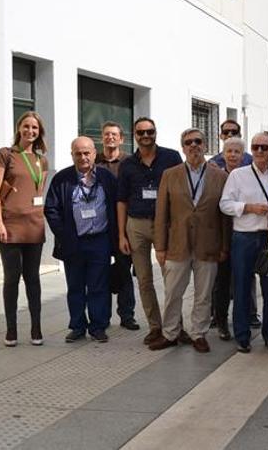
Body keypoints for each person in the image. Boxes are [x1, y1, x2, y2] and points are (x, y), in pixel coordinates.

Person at [148, 129, 229, 353]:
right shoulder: (170, 174)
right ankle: (170, 333)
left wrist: (224, 246)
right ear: (182, 148)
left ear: (205, 145)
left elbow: (224, 216)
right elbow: (161, 213)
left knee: (203, 295)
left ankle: (198, 334)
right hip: (177, 244)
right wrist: (160, 246)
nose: (193, 146)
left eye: (198, 141)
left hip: (208, 245)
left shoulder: (220, 176)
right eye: (188, 142)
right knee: (173, 293)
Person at [117, 117, 184, 345]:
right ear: (135, 135)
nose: (146, 136)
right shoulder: (127, 164)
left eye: (150, 131)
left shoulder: (172, 157)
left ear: (156, 132)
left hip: (166, 225)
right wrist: (121, 234)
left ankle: (175, 326)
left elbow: (183, 191)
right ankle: (155, 326)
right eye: (141, 132)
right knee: (144, 279)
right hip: (136, 225)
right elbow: (121, 201)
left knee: (172, 279)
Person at [45, 137, 118, 343]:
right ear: (72, 155)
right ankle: (77, 326)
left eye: (87, 152)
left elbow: (117, 206)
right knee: (75, 286)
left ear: (95, 153)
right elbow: (51, 209)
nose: (83, 157)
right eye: (78, 153)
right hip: (73, 242)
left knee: (98, 286)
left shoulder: (106, 178)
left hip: (100, 241)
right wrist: (64, 235)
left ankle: (97, 326)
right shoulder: (62, 179)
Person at [0, 111, 49, 346]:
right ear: (19, 128)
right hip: (10, 225)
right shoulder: (6, 154)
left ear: (39, 132)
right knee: (11, 278)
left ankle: (36, 328)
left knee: (33, 278)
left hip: (34, 225)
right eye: (26, 126)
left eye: (34, 128)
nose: (30, 131)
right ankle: (11, 330)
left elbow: (38, 191)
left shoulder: (41, 160)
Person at [219, 133, 268, 353]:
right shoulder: (237, 175)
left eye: (264, 147)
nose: (260, 151)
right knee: (242, 288)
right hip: (244, 236)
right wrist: (248, 207)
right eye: (256, 147)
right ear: (251, 151)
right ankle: (242, 336)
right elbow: (225, 204)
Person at [96, 121, 139, 331]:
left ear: (121, 139)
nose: (110, 138)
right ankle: (102, 317)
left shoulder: (130, 163)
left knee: (124, 271)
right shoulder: (94, 161)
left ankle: (127, 315)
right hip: (100, 228)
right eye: (106, 134)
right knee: (100, 272)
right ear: (102, 138)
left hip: (124, 227)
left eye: (114, 134)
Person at [210, 136, 248, 340]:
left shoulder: (247, 176)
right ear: (223, 154)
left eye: (237, 151)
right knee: (221, 282)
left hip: (244, 235)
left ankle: (244, 319)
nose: (233, 155)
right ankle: (221, 321)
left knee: (244, 281)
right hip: (220, 237)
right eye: (229, 151)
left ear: (243, 156)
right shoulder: (215, 176)